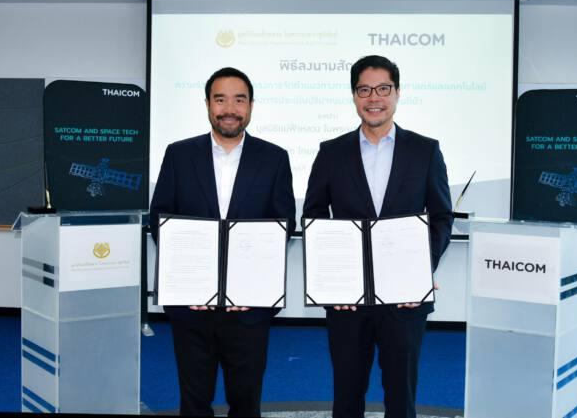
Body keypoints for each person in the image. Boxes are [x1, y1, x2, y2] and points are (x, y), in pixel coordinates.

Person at [303, 55, 453, 418]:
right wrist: (332, 282)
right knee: (347, 395)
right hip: (347, 302)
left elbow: (441, 217)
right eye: (365, 90)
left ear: (397, 93)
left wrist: (420, 272)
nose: (374, 98)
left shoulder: (425, 150)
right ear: (354, 96)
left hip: (405, 301)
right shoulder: (331, 152)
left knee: (401, 398)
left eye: (383, 89)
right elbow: (313, 217)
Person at [149, 67, 296, 417]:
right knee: (193, 401)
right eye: (220, 99)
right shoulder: (179, 154)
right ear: (207, 104)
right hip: (191, 307)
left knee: (246, 402)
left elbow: (284, 226)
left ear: (251, 106)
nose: (229, 109)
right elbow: (160, 220)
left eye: (239, 100)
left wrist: (252, 288)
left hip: (249, 307)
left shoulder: (274, 158)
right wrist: (188, 283)